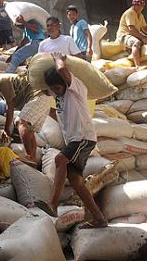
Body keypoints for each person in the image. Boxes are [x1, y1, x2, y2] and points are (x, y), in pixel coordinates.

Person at [45, 53, 107, 229]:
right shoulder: (60, 99)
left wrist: (58, 58)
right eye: (53, 89)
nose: (56, 91)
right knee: (75, 181)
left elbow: (62, 69)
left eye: (58, 87)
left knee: (59, 160)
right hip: (75, 141)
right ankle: (99, 218)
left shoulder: (76, 89)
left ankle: (53, 205)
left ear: (65, 83)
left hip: (82, 138)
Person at [0, 73, 53, 163]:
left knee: (20, 122)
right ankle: (33, 159)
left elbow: (9, 107)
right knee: (30, 130)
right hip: (44, 98)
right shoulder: (2, 82)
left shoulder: (1, 81)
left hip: (38, 97)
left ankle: (29, 157)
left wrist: (6, 130)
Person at [115, 0, 147, 67]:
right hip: (124, 36)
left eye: (141, 6)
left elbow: (145, 29)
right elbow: (131, 30)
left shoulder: (140, 15)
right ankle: (137, 66)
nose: (140, 7)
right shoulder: (130, 13)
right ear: (134, 5)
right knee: (136, 43)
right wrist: (143, 38)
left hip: (134, 34)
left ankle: (146, 62)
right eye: (137, 5)